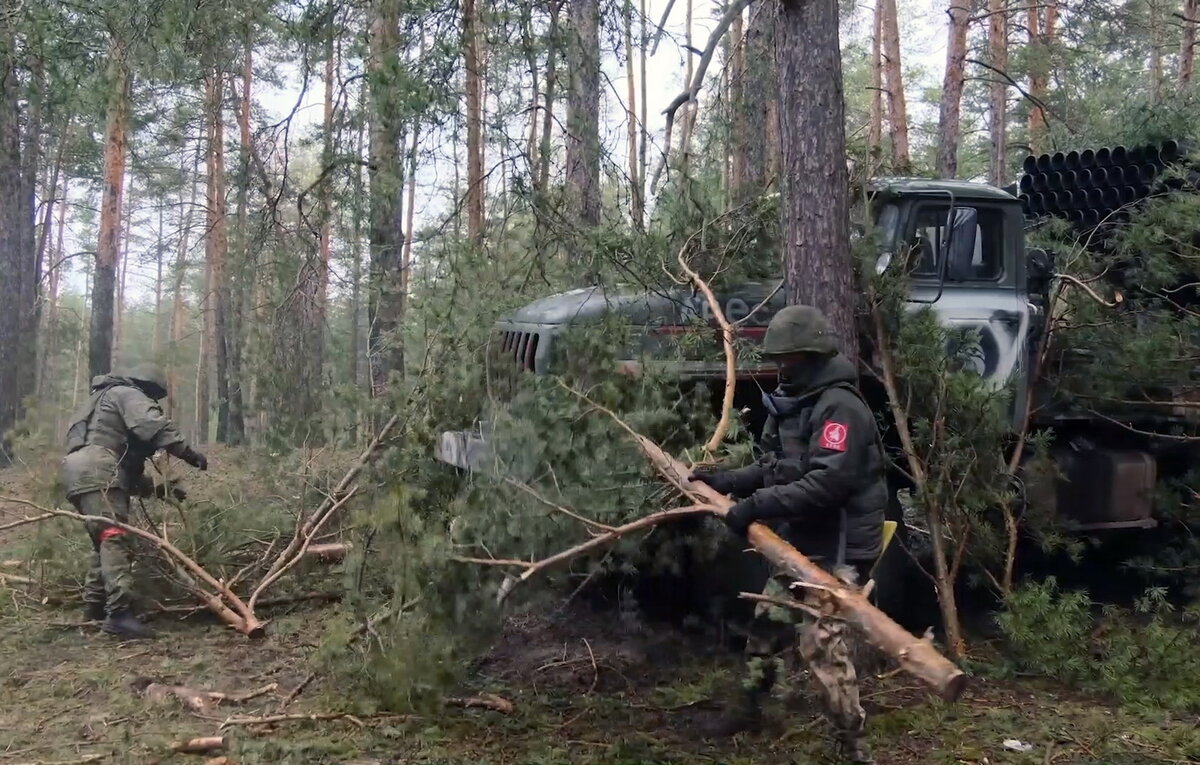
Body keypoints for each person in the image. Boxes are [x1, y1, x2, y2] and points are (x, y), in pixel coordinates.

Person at [690, 304, 886, 765]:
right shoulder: (794, 401)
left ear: (813, 357)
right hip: (803, 543)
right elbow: (781, 467)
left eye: (790, 360)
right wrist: (729, 481)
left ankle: (853, 747)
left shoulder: (841, 408)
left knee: (822, 647)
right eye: (779, 359)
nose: (782, 367)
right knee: (765, 628)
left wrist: (753, 508)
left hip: (839, 548)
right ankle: (751, 710)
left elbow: (826, 484)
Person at [61, 364, 209, 639]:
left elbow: (124, 465)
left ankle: (94, 608)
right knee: (115, 537)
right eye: (153, 395)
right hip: (99, 468)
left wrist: (161, 490)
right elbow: (152, 426)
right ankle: (119, 615)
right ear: (144, 386)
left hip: (76, 470)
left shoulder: (98, 403)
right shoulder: (128, 393)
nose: (153, 401)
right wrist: (188, 453)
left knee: (103, 539)